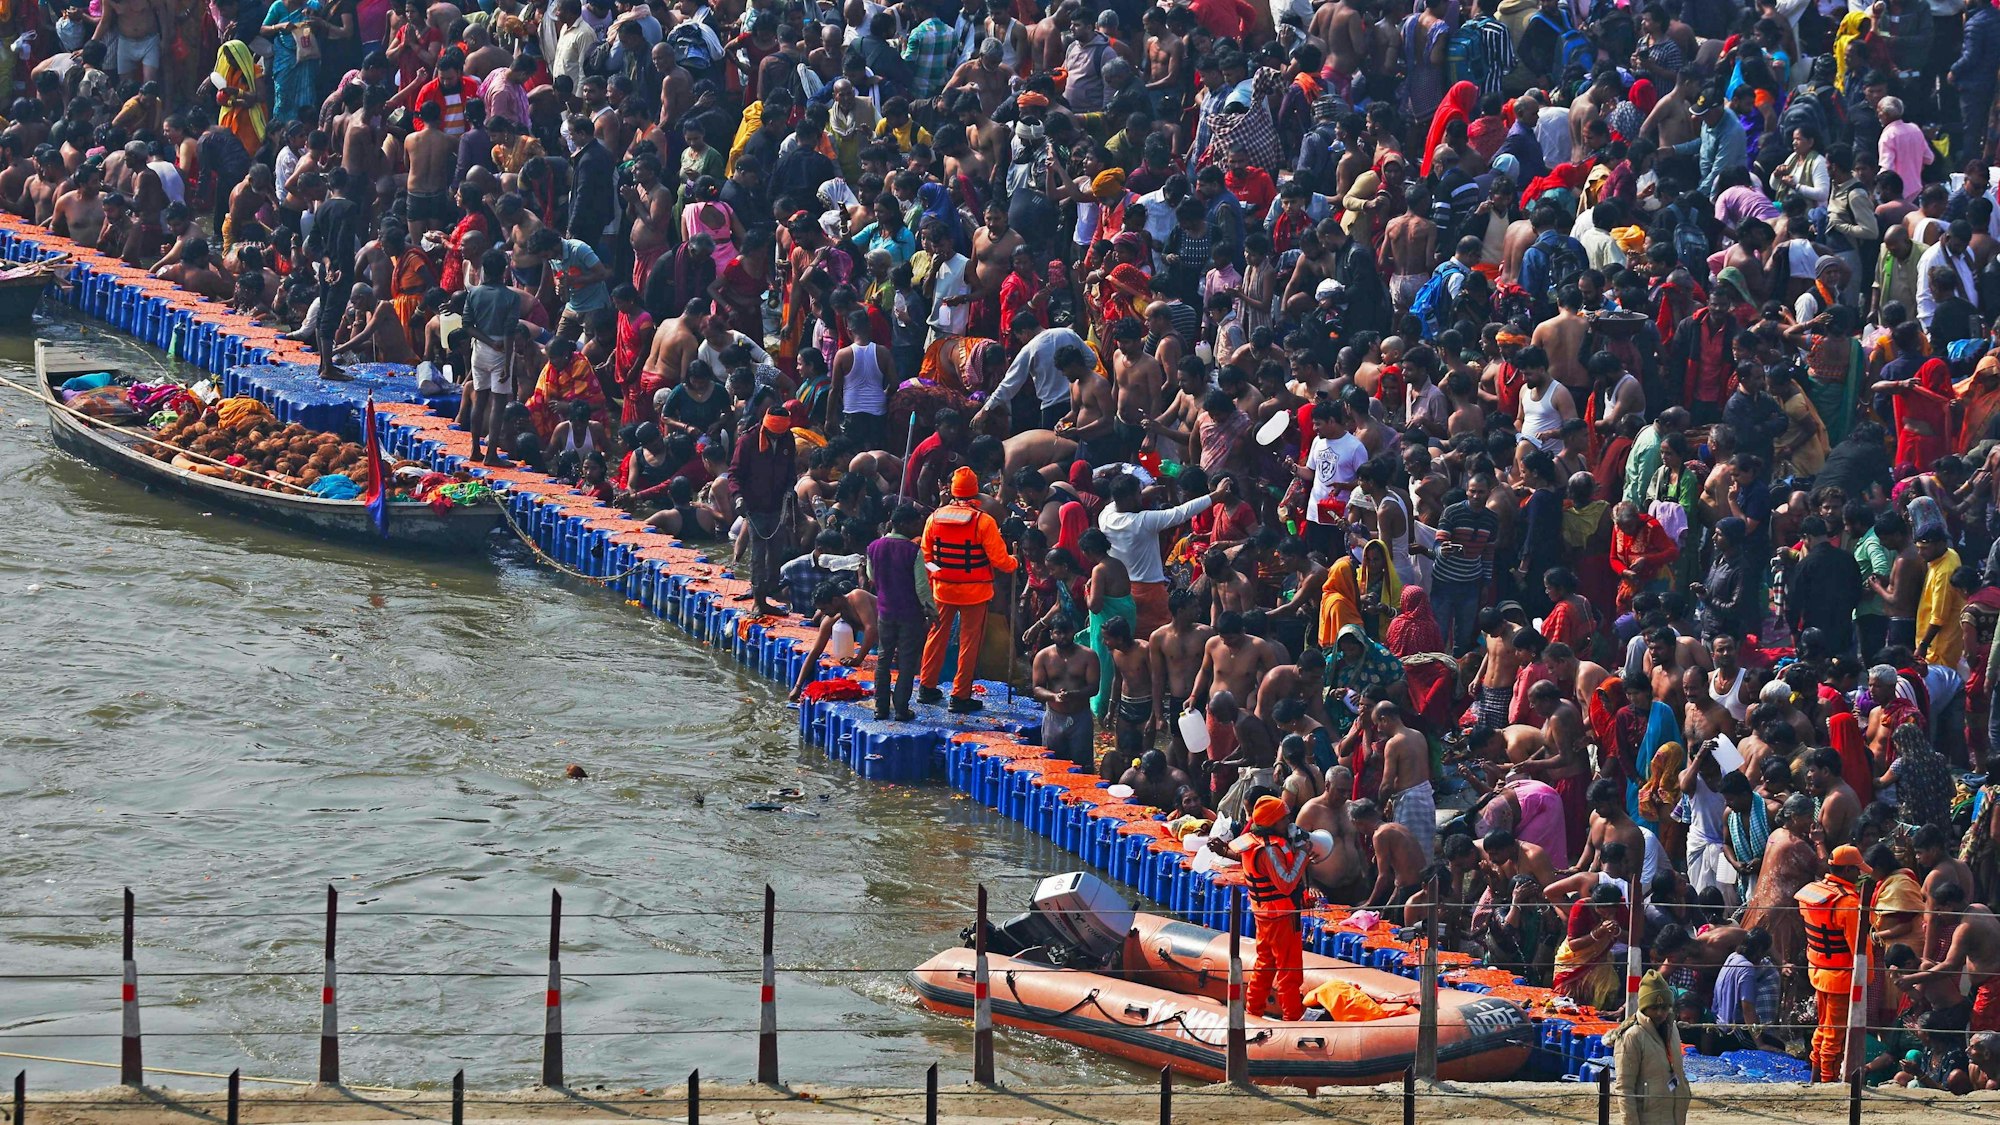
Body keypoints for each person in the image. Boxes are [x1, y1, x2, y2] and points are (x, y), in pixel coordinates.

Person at [919, 467, 1018, 713]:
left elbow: (926, 557)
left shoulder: (935, 518)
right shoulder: (983, 521)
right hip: (975, 593)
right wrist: (1015, 560)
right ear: (975, 491)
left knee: (936, 637)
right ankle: (960, 696)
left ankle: (926, 687)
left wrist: (938, 575)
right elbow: (1000, 561)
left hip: (943, 590)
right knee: (969, 643)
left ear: (953, 491)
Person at [1210, 795, 1308, 1020]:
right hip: (1281, 917)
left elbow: (1244, 857)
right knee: (1289, 972)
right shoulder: (1270, 849)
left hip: (1264, 916)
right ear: (1273, 822)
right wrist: (1304, 853)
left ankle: (1253, 1012)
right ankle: (1292, 1018)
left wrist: (1224, 852)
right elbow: (1286, 883)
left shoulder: (1250, 841)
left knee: (1265, 967)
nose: (1289, 822)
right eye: (1284, 819)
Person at [1798, 844, 1865, 1082]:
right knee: (1835, 1035)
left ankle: (1816, 1077)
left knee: (1823, 1027)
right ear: (1846, 870)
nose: (1859, 875)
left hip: (1817, 971)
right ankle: (1828, 1083)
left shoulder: (1812, 894)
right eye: (1856, 870)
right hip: (1841, 978)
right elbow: (1859, 948)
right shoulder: (1848, 904)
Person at [1611, 970, 1691, 1125]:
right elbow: (1624, 1089)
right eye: (1654, 1008)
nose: (1660, 1013)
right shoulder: (1632, 1036)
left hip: (1674, 1117)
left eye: (1664, 1007)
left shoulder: (1671, 1028)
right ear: (1643, 1008)